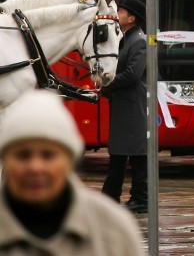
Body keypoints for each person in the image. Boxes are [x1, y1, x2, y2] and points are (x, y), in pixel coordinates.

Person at [0, 89, 143, 255]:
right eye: (22, 155)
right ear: (4, 161)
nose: (35, 167)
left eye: (48, 155)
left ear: (69, 160)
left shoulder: (113, 228)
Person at [101, 0, 148, 213]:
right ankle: (111, 198)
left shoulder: (139, 41)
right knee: (118, 155)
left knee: (137, 156)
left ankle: (140, 199)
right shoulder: (125, 38)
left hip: (132, 106)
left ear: (132, 18)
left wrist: (108, 83)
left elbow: (132, 74)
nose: (117, 14)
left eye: (121, 11)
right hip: (123, 105)